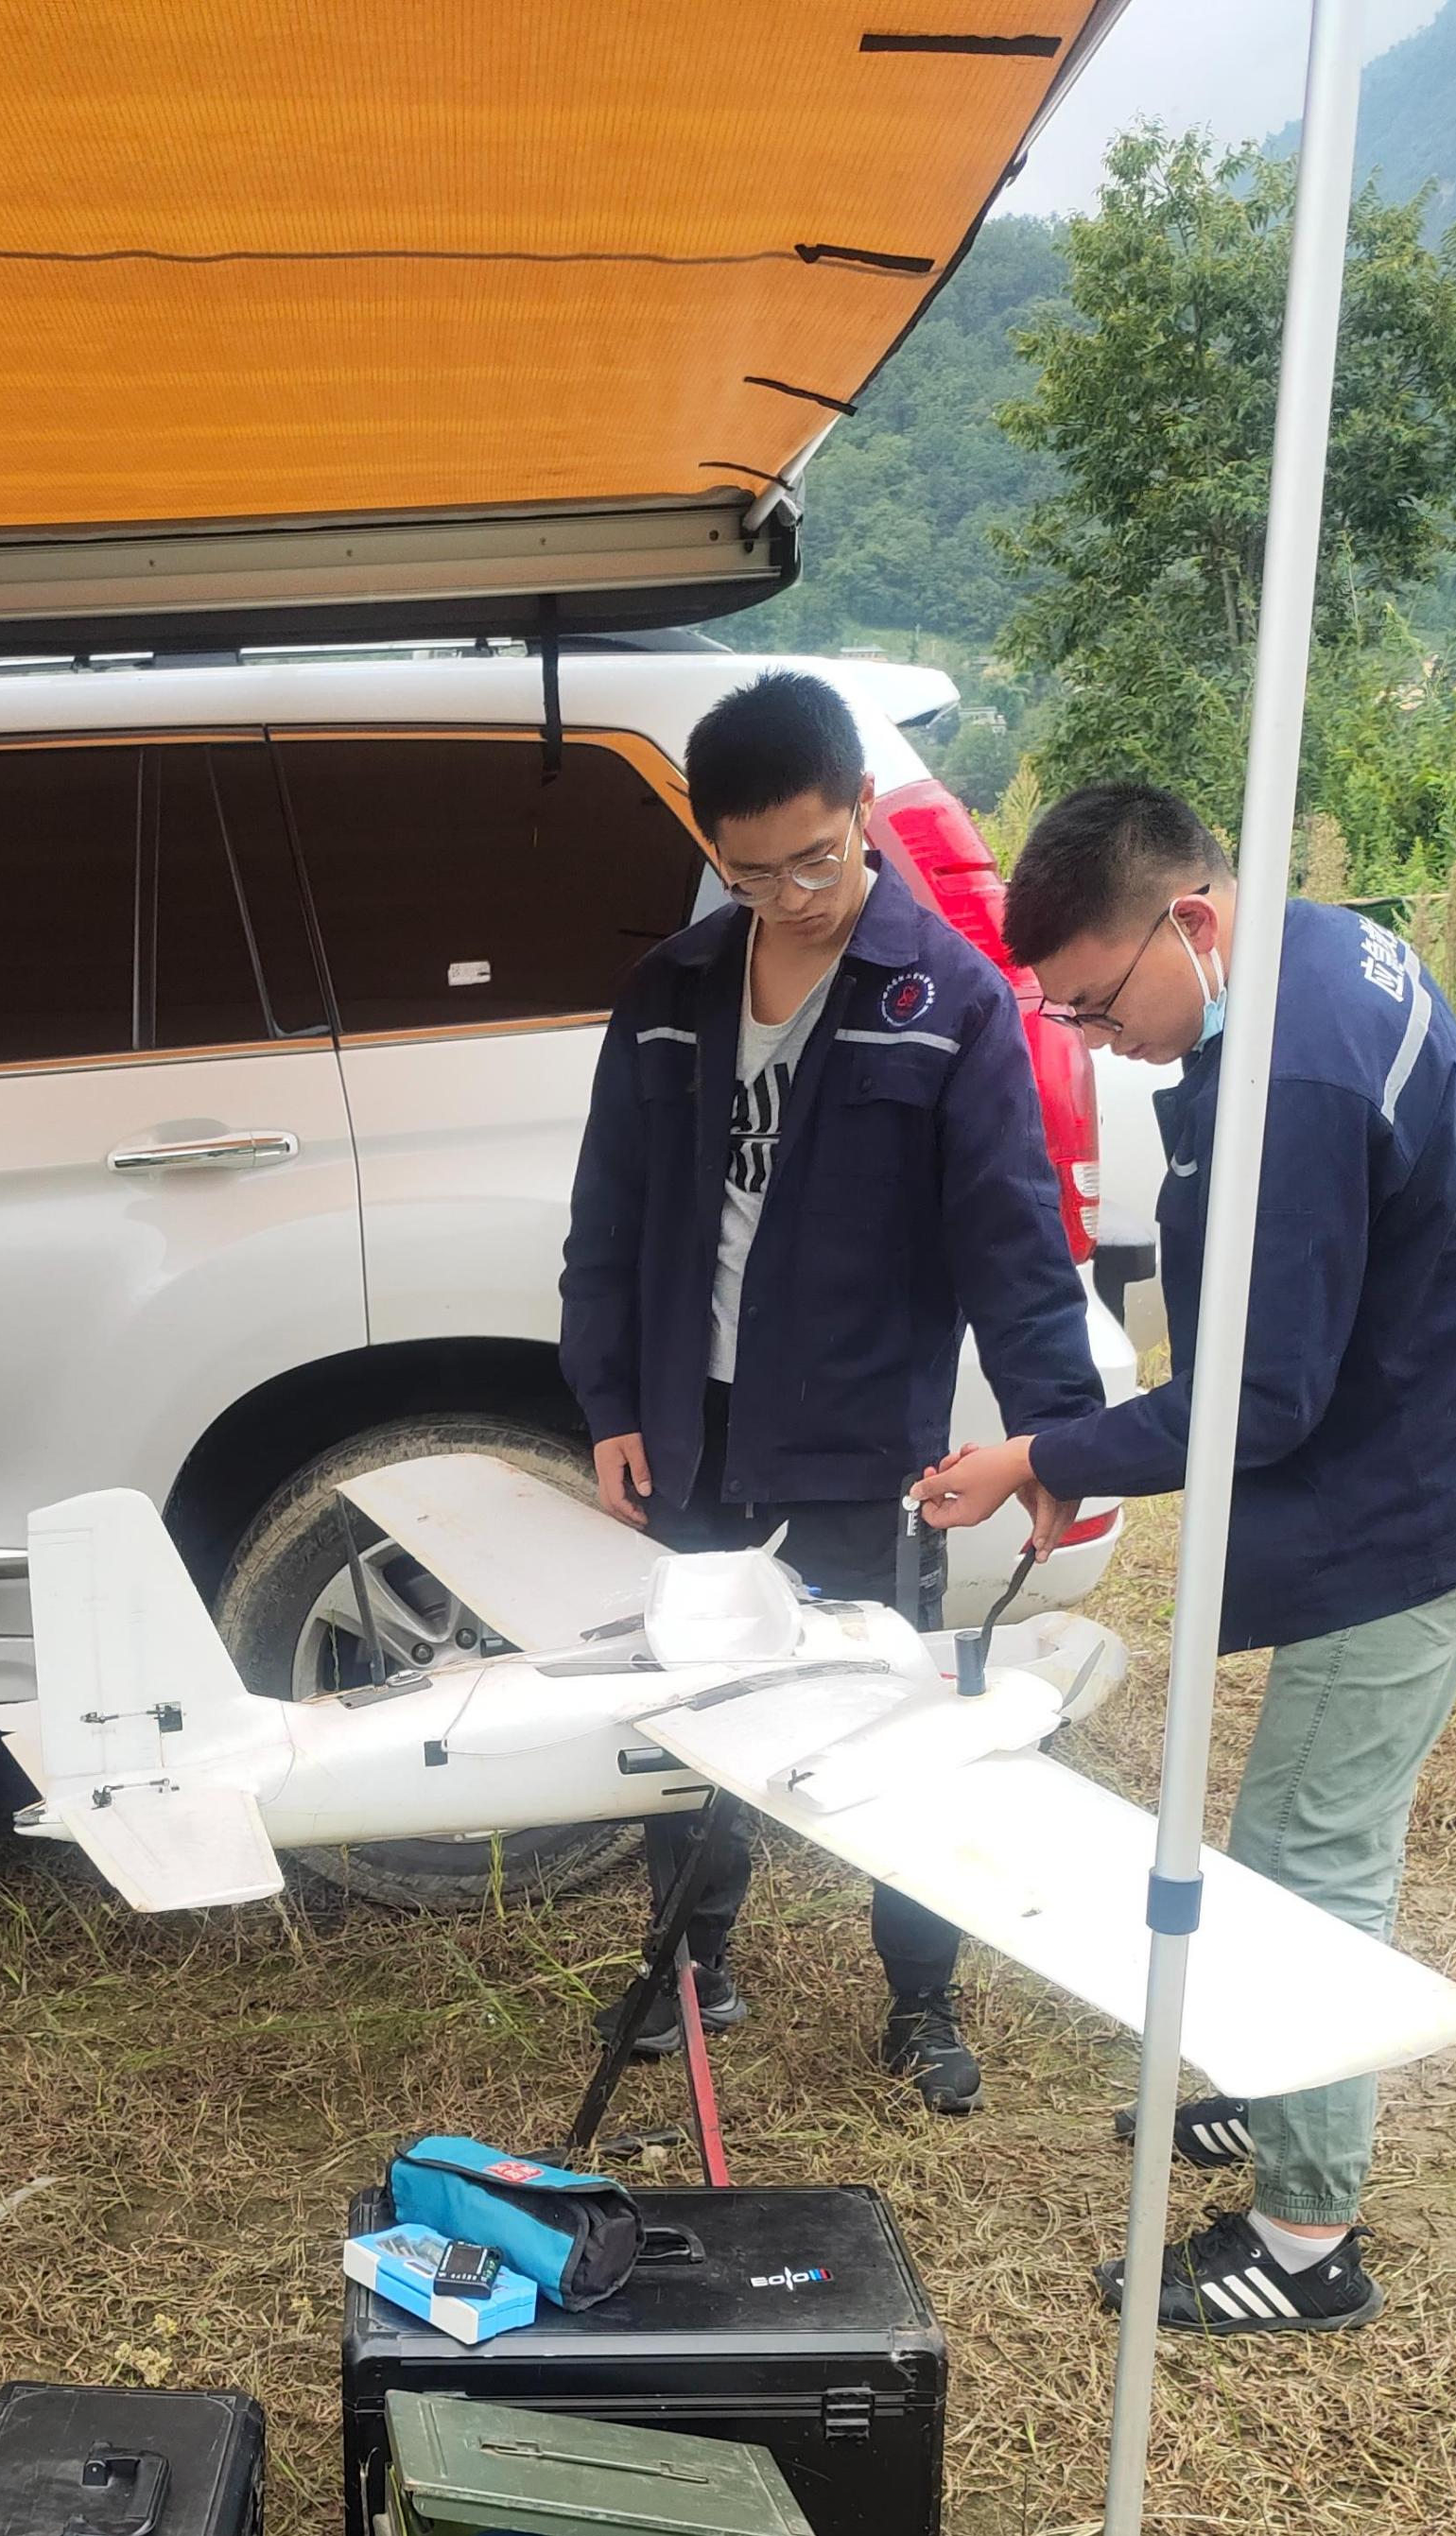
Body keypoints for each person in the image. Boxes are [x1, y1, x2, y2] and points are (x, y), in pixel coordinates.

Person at [915, 781, 1456, 2329]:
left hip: (1436, 1483)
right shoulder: (1306, 952)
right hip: (1432, 1418)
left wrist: (1041, 1455)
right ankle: (1281, 2086)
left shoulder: (1286, 1072)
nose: (1094, 1043)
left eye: (1097, 1005)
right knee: (1297, 1823)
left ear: (1193, 921)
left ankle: (1305, 2241)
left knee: (1309, 1857)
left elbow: (1255, 1406)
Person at [559, 669, 1105, 2110]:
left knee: (890, 1724)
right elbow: (607, 1217)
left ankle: (921, 2000)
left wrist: (1054, 1436)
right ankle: (691, 1966)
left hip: (859, 1442)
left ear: (863, 809)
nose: (791, 894)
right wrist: (611, 1400)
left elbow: (1013, 1237)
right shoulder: (672, 992)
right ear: (715, 853)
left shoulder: (948, 998)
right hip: (691, 1424)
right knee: (691, 1704)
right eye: (752, 871)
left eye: (816, 855)